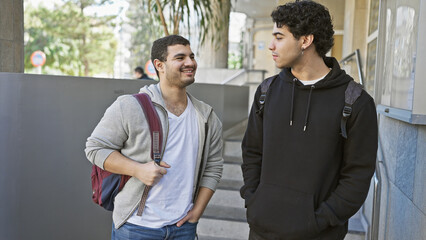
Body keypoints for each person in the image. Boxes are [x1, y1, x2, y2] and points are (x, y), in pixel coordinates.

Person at [240, 1, 378, 239]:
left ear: (305, 41)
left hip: (319, 233)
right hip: (262, 229)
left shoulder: (355, 102)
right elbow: (252, 152)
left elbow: (357, 175)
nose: (271, 45)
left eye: (279, 37)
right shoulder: (266, 92)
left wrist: (319, 220)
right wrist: (254, 201)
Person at [86, 35, 224, 240]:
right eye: (180, 57)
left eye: (191, 56)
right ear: (159, 65)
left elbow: (213, 166)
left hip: (183, 227)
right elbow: (95, 148)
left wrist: (198, 211)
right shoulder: (129, 106)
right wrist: (138, 169)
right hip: (136, 227)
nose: (190, 63)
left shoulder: (206, 116)